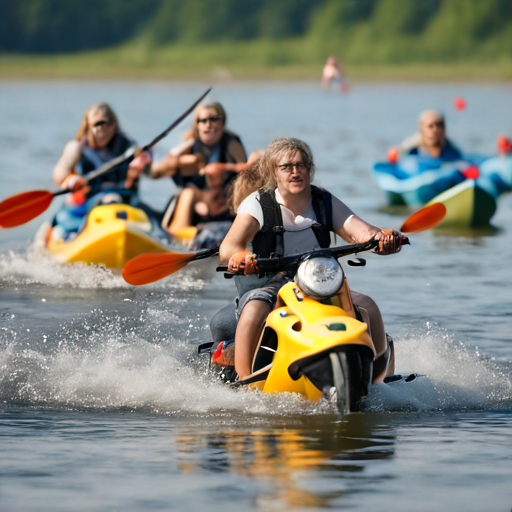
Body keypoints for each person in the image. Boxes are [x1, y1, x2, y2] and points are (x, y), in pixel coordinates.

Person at [213, 137, 403, 380]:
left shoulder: (324, 201)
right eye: (286, 167)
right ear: (274, 171)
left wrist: (383, 239)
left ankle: (377, 380)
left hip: (320, 280)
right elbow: (228, 247)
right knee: (253, 311)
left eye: (301, 165)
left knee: (369, 307)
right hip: (269, 283)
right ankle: (244, 381)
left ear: (310, 169)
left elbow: (362, 232)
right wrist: (242, 257)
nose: (295, 172)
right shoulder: (258, 203)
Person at [51, 102, 151, 238]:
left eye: (103, 123)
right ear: (88, 125)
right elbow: (58, 175)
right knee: (64, 211)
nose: (99, 129)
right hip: (88, 199)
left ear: (113, 124)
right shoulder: (77, 147)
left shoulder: (129, 147)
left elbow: (153, 173)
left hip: (123, 200)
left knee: (114, 199)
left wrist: (144, 163)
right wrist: (72, 179)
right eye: (95, 125)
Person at [150, 101, 247, 233]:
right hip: (194, 199)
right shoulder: (190, 144)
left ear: (222, 122)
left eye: (214, 119)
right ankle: (177, 234)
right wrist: (176, 154)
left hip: (223, 198)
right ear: (197, 125)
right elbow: (156, 172)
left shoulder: (232, 143)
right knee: (187, 193)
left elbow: (245, 174)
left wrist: (220, 168)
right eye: (203, 120)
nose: (208, 125)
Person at [390, 110, 462, 162]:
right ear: (421, 128)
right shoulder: (412, 147)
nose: (435, 131)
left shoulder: (451, 151)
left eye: (439, 126)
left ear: (444, 129)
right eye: (430, 126)